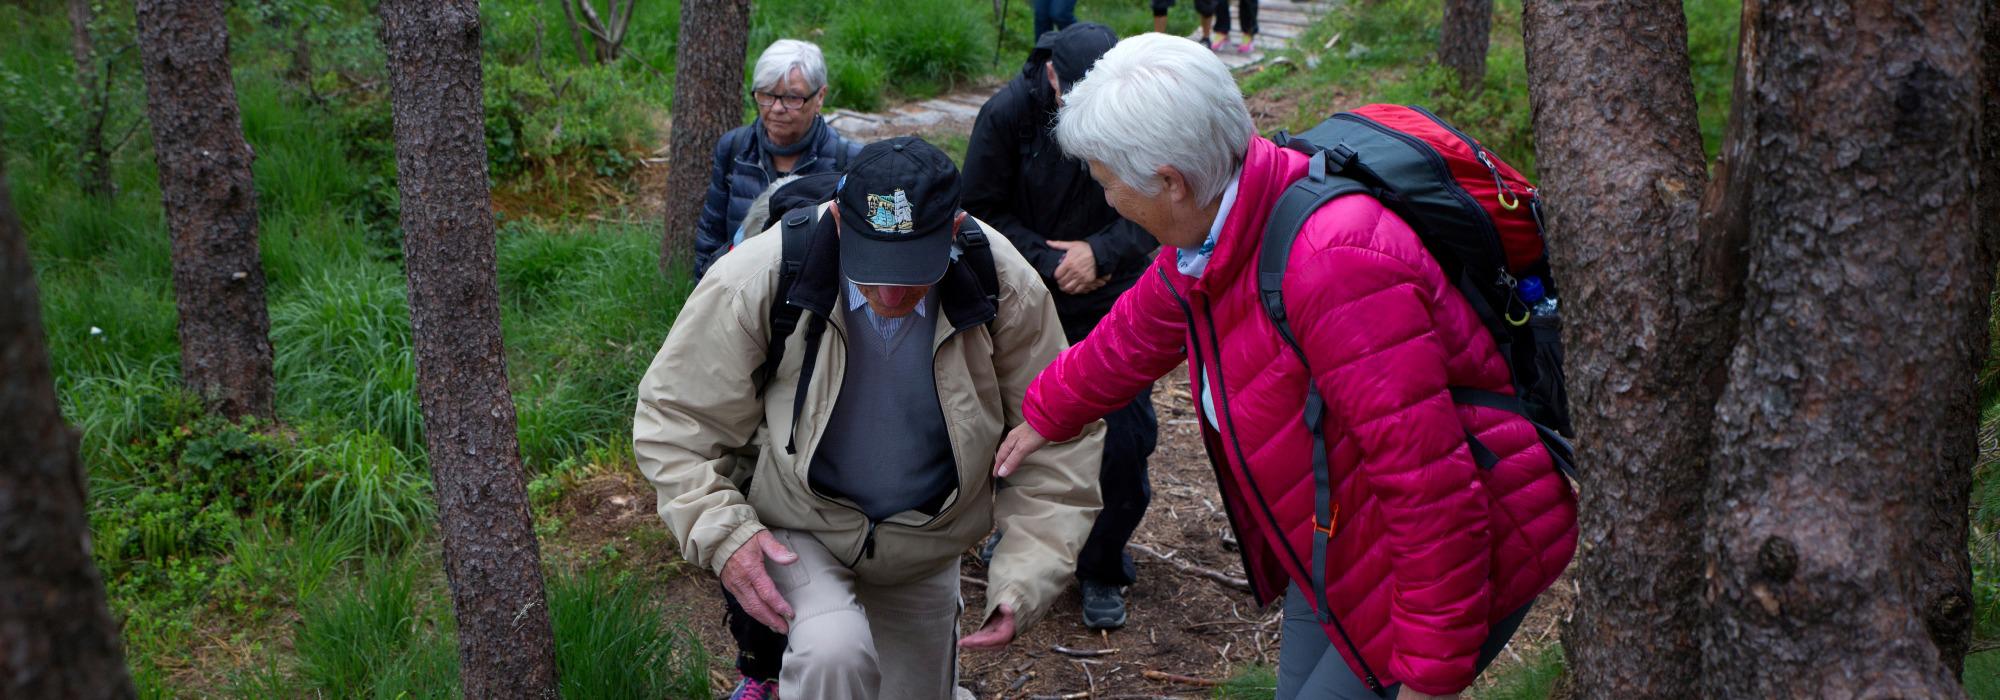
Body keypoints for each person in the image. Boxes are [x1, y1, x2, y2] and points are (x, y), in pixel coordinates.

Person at [993, 34, 1578, 699]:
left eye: (1106, 182)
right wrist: (1044, 414)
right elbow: (1141, 325)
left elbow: (1429, 492)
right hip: (1342, 529)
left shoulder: (1335, 265)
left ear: (1170, 182)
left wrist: (1430, 677)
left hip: (1453, 555)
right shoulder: (1232, 210)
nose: (1105, 202)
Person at [636, 136, 1105, 700]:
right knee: (834, 653)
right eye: (873, 266)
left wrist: (1026, 576)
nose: (889, 291)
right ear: (837, 220)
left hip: (926, 541)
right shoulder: (760, 274)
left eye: (912, 271)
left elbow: (1057, 434)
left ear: (954, 231)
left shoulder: (1003, 283)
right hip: (800, 522)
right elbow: (675, 417)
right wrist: (726, 535)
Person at [961, 22, 1159, 631]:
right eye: (1075, 97)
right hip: (1026, 299)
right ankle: (1021, 541)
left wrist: (1100, 253)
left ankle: (1101, 563)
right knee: (1020, 431)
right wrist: (1051, 262)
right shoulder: (1007, 116)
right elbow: (977, 211)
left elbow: (1163, 204)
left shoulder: (1139, 113)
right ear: (1052, 74)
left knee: (1123, 439)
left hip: (1110, 299)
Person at [692, 39, 861, 282]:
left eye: (792, 98)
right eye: (766, 95)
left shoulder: (846, 161)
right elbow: (710, 236)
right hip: (739, 293)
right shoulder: (735, 149)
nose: (777, 108)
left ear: (820, 96)